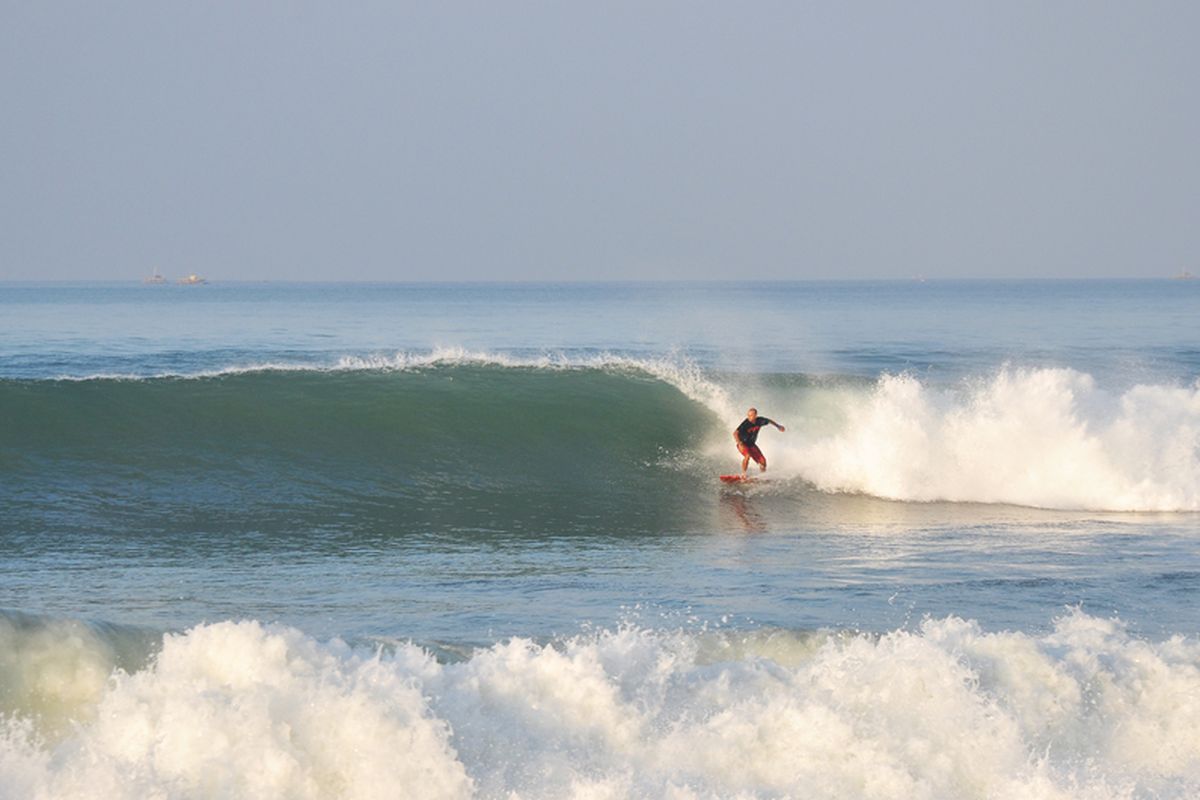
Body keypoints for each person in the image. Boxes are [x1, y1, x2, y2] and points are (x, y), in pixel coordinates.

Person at [733, 408, 785, 475]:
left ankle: (762, 476)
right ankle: (743, 474)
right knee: (747, 456)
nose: (749, 417)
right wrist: (739, 443)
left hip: (751, 445)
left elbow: (769, 421)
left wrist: (778, 426)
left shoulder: (760, 420)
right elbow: (735, 433)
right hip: (743, 444)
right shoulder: (745, 423)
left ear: (755, 415)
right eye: (748, 415)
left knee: (763, 462)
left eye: (751, 415)